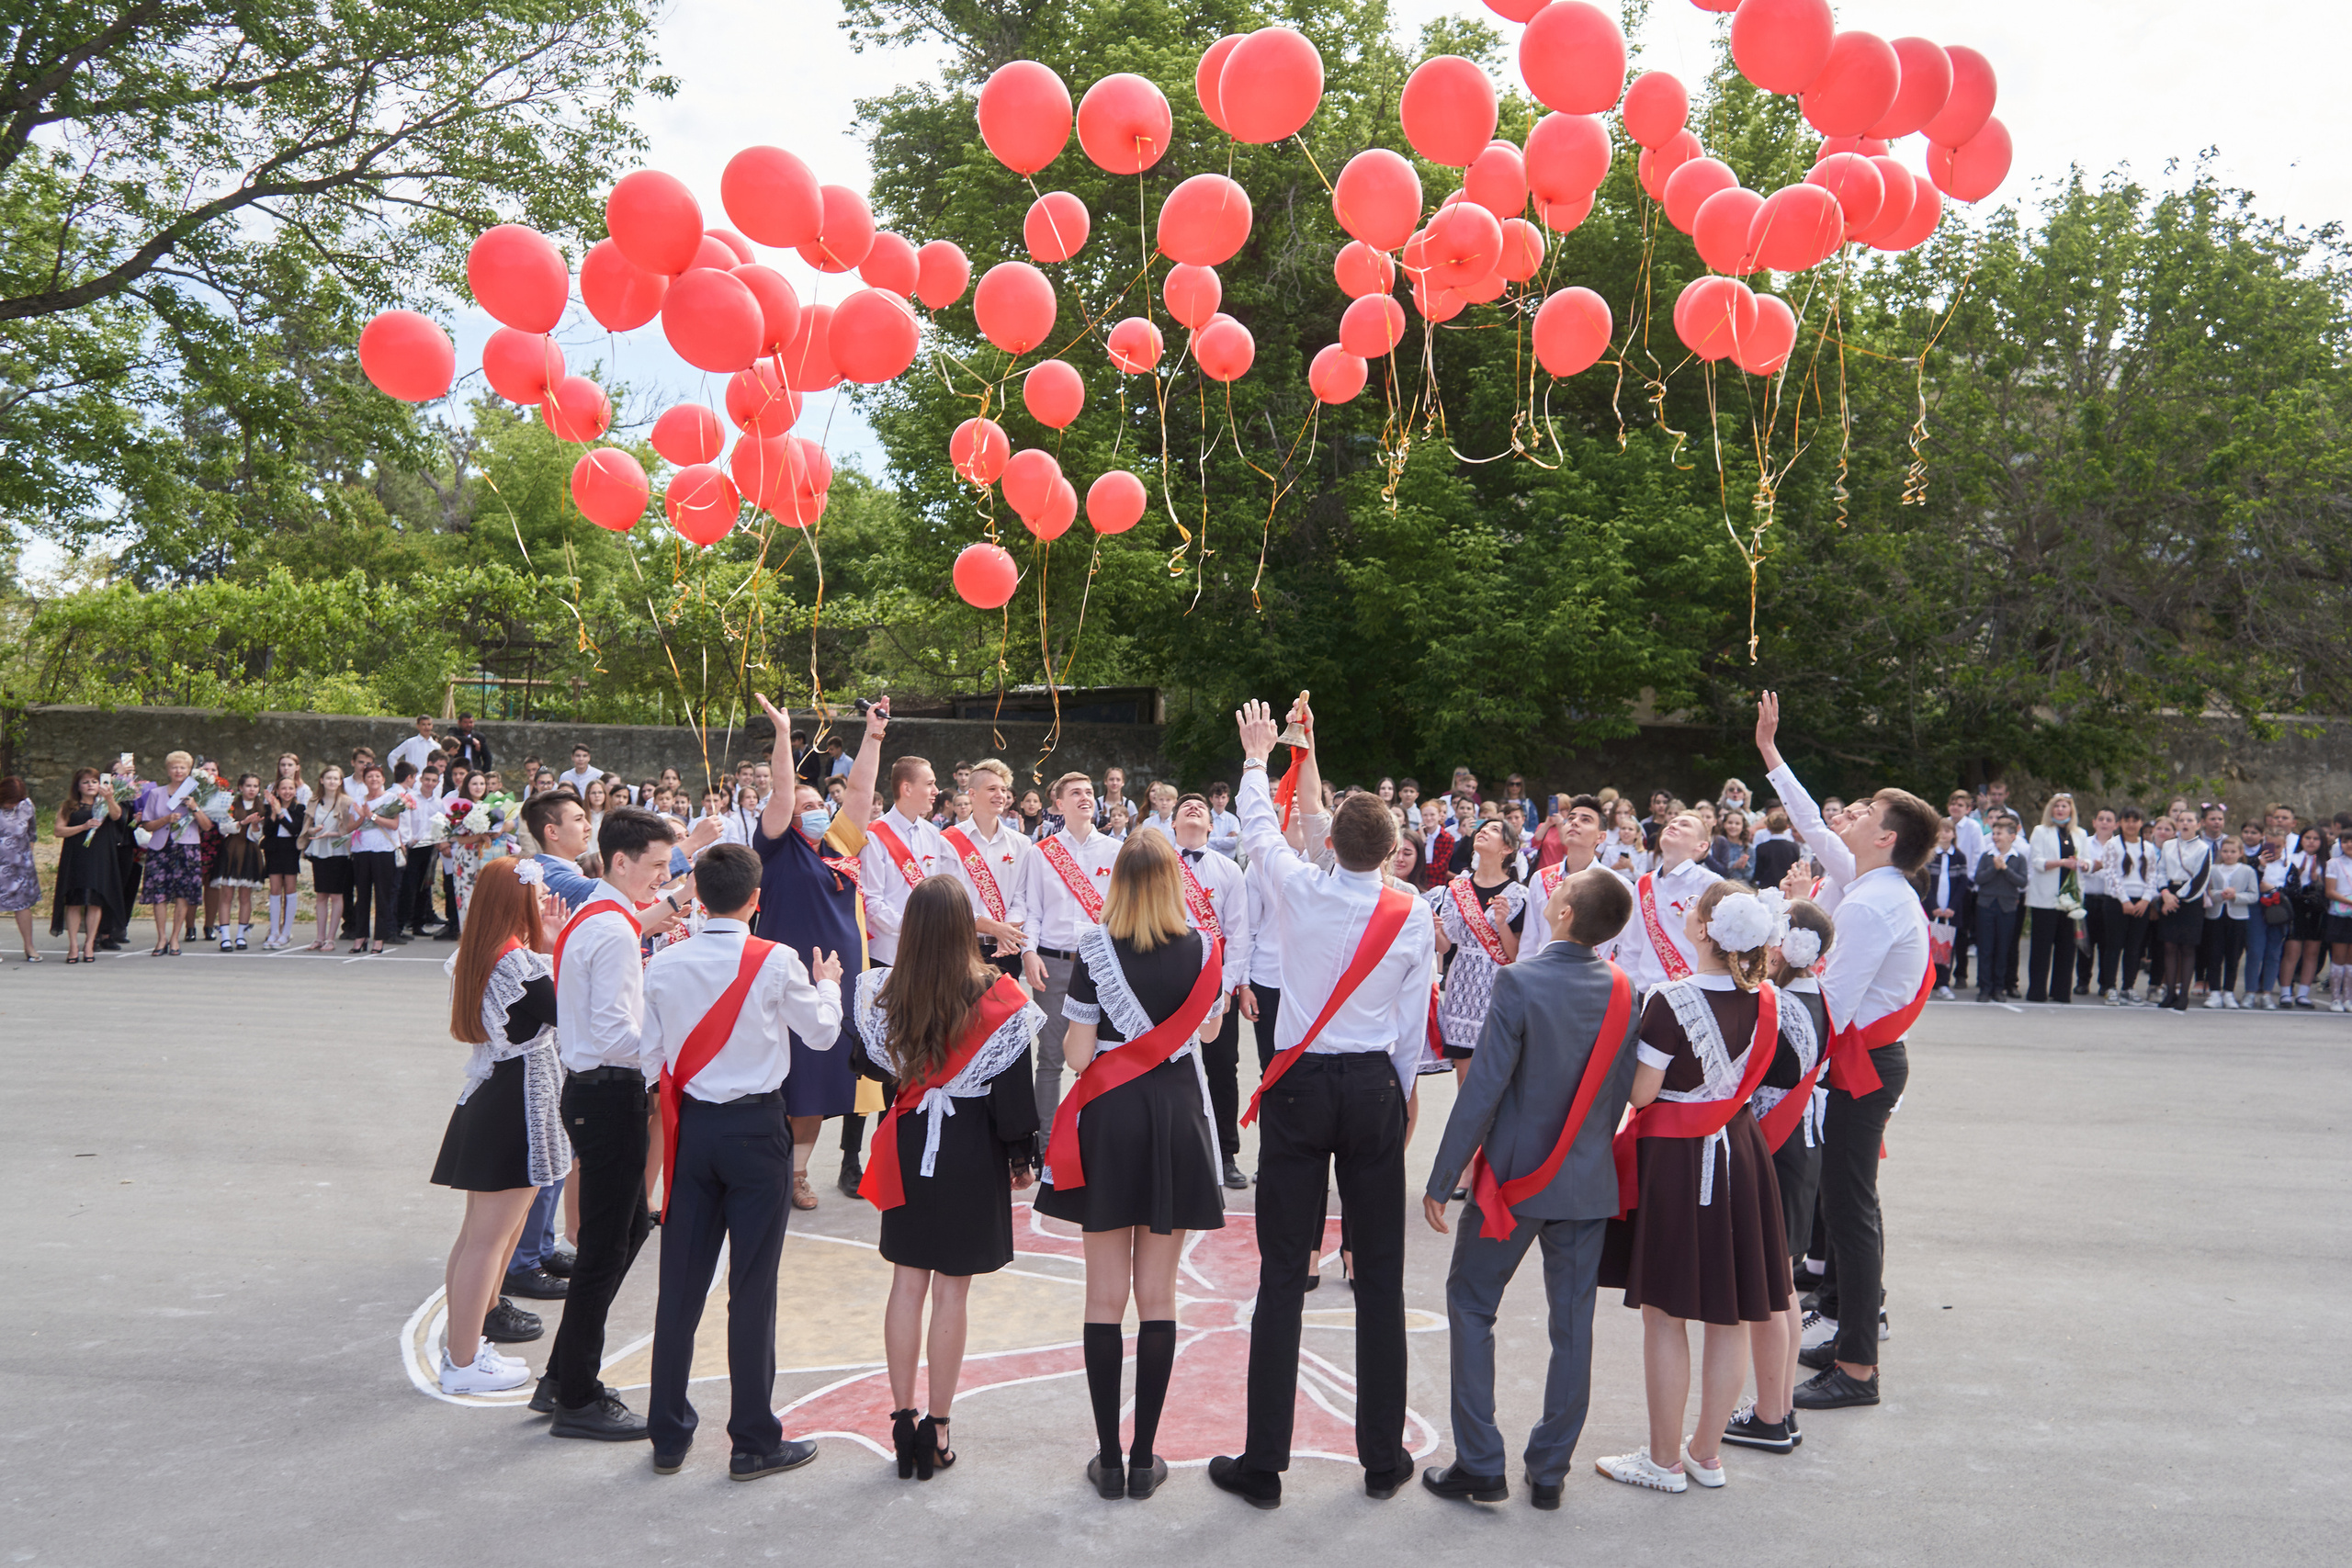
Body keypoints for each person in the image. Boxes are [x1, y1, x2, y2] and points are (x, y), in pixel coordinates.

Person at [1209, 694, 1435, 1511]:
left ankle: (1264, 1463)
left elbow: (1255, 826)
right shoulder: (1415, 914)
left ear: (1330, 843)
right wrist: (1404, 1097)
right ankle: (1381, 1457)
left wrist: (1258, 753)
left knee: (1281, 1273)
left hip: (1300, 1086)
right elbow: (1412, 1027)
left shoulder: (1300, 888)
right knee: (1379, 1276)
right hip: (1374, 1082)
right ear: (1397, 851)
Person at [1419, 868, 1639, 1508]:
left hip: (1512, 1183)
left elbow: (1483, 1087)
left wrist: (1442, 1174)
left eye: (1560, 893)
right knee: (1573, 1325)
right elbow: (1620, 1091)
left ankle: (1481, 1460)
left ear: (1565, 914)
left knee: (1471, 1301)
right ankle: (1549, 1469)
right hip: (1586, 1179)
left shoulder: (1519, 979)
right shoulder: (1626, 989)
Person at [1757, 694, 1938, 1411]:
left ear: (1887, 838)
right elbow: (1807, 818)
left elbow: (1828, 1000)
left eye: (1864, 814)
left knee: (1850, 1208)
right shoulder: (1873, 883)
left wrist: (1766, 988)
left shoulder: (1868, 903)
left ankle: (1858, 1363)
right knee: (1848, 1203)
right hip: (1863, 1060)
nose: (1848, 817)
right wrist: (1771, 752)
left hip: (1859, 1065)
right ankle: (1847, 1332)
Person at [640, 842, 842, 1481]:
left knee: (680, 1284)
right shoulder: (777, 959)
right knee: (752, 1288)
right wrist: (830, 986)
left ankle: (668, 1434)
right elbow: (822, 1033)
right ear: (758, 899)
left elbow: (649, 1063)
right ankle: (753, 1439)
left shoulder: (665, 962)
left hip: (693, 1130)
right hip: (758, 1130)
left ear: (696, 896)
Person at [1036, 829, 1227, 1503]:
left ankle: (1109, 1456)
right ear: (1175, 881)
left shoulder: (1093, 948)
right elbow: (1207, 1031)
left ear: (1116, 880)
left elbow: (1082, 1056)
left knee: (1103, 1297)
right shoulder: (1204, 947)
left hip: (1111, 1123)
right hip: (1174, 1117)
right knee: (1158, 1298)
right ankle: (1147, 1456)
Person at [1594, 883, 1789, 1493]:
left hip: (1679, 1161)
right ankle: (1705, 1452)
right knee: (1730, 1313)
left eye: (1695, 910)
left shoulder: (1668, 998)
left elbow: (1642, 1093)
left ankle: (1663, 1459)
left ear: (1706, 929)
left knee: (1666, 1314)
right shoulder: (1767, 1000)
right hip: (1744, 1154)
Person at [852, 876, 1042, 1481]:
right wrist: (1020, 1156)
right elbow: (1014, 1091)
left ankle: (902, 1420)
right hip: (968, 1145)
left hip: (910, 1138)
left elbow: (866, 1061)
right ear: (968, 927)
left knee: (907, 1281)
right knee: (951, 1291)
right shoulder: (998, 994)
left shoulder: (886, 990)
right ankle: (938, 1429)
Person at [544, 805, 682, 1441]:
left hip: (594, 1088)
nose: (661, 877)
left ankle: (563, 1372)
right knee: (605, 1246)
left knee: (626, 1228)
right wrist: (673, 1039)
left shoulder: (600, 914)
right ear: (620, 860)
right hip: (608, 1091)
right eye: (655, 866)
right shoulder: (613, 929)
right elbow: (617, 1034)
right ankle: (576, 1393)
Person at [428, 857, 571, 1394]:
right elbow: (571, 1013)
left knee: (482, 1238)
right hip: (517, 1105)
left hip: (496, 1097)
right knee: (487, 1242)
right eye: (536, 895)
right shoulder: (517, 964)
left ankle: (467, 1350)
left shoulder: (487, 953)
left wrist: (549, 950)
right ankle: (463, 1363)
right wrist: (556, 952)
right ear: (517, 901)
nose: (543, 904)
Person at [750, 693, 887, 1213]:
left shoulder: (841, 844)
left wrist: (873, 735)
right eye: (805, 807)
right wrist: (784, 736)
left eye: (818, 806)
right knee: (785, 1079)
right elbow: (783, 792)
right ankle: (769, 1172)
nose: (814, 811)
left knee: (819, 1084)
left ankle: (798, 1174)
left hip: (841, 979)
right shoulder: (776, 847)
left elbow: (860, 790)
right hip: (789, 979)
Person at [1017, 771, 1121, 1124]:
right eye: (1075, 792)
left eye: (1090, 792)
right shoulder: (1041, 853)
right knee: (1049, 1058)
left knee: (1102, 1054)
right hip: (1053, 964)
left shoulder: (1116, 851)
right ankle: (1045, 1147)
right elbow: (1032, 912)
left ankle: (1093, 1136)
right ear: (1059, 804)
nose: (1085, 797)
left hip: (1102, 965)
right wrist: (1028, 952)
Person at [1170, 792, 1253, 1189]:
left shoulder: (1229, 870)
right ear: (1171, 824)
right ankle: (1170, 1148)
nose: (1193, 807)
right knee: (1165, 1064)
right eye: (1184, 805)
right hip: (1165, 981)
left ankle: (1226, 1152)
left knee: (1222, 1067)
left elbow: (1239, 933)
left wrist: (1225, 989)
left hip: (1215, 984)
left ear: (1211, 825)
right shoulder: (1157, 867)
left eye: (1200, 806)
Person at [1427, 818, 1527, 1079]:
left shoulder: (1516, 895)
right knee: (1465, 1073)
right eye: (1483, 828)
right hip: (1462, 985)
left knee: (1495, 1073)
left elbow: (1516, 956)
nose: (1483, 831)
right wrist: (1436, 931)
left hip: (1497, 985)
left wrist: (1502, 924)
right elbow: (1446, 945)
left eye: (1494, 830)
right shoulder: (1457, 889)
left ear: (1507, 848)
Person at [939, 758, 1033, 988]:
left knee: (1007, 1021)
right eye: (992, 789)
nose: (1000, 795)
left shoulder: (1021, 843)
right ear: (972, 794)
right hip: (962, 947)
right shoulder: (949, 841)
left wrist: (1006, 934)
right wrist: (996, 929)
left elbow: (1021, 897)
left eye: (1003, 789)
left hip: (1006, 950)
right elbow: (951, 904)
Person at [1615, 810, 1722, 993]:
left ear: (1702, 846)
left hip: (1691, 990)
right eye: (1672, 822)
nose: (1673, 825)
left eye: (1684, 825)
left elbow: (1722, 946)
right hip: (1644, 992)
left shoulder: (1711, 884)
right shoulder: (1643, 883)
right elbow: (1632, 944)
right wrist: (1628, 987)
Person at [135, 751, 211, 958]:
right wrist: (166, 819)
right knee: (158, 895)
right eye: (174, 767)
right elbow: (147, 824)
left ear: (189, 771)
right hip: (161, 847)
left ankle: (176, 937)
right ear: (168, 770)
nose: (178, 771)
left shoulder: (198, 792)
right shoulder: (156, 794)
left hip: (187, 848)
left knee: (182, 894)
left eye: (182, 768)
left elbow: (207, 826)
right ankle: (161, 937)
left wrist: (194, 807)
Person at [51, 768, 126, 963]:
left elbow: (118, 817)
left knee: (95, 901)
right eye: (85, 782)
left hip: (100, 858)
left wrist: (110, 798)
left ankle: (90, 943)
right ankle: (73, 945)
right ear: (78, 786)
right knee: (74, 901)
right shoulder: (69, 806)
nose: (90, 785)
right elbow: (59, 831)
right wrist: (83, 827)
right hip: (76, 857)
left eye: (94, 781)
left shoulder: (105, 805)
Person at [2024, 793, 2086, 1004]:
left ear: (2071, 810)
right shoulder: (2041, 831)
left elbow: (2083, 859)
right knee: (2041, 947)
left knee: (2067, 947)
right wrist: (2061, 863)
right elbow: (2037, 861)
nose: (2060, 809)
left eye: (2064, 806)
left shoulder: (2080, 834)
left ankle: (2061, 991)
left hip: (2070, 899)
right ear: (2051, 810)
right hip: (2045, 898)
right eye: (2057, 806)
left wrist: (2083, 864)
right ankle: (2037, 991)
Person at [2153, 803, 2212, 1012]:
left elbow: (2200, 879)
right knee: (2169, 946)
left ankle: (2183, 996)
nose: (2185, 823)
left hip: (2190, 899)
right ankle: (2170, 992)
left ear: (2198, 825)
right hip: (2169, 894)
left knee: (2187, 947)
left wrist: (2177, 898)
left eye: (2190, 820)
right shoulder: (2169, 845)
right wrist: (2165, 893)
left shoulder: (2204, 849)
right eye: (2182, 820)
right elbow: (2160, 871)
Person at [348, 763, 406, 954]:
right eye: (369, 777)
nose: (373, 780)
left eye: (377, 776)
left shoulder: (391, 799)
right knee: (362, 895)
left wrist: (371, 816)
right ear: (364, 780)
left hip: (384, 851)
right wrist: (360, 817)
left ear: (383, 779)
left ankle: (379, 938)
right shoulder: (357, 801)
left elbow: (394, 825)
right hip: (361, 851)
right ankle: (360, 937)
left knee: (382, 896)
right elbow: (350, 828)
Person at [300, 764, 356, 953]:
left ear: (340, 782)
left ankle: (331, 939)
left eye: (336, 778)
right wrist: (312, 831)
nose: (332, 781)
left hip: (338, 853)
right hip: (319, 852)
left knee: (336, 895)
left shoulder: (347, 801)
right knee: (321, 895)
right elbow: (306, 827)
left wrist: (331, 834)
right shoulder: (314, 801)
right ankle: (319, 937)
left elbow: (351, 828)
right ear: (321, 780)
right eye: (328, 778)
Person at [1972, 816, 2027, 1002]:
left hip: (2007, 907)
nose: (1995, 837)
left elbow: (2022, 882)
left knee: (2003, 949)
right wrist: (1994, 868)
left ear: (2012, 836)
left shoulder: (2018, 859)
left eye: (1999, 833)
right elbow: (1979, 879)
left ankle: (1999, 988)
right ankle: (1985, 988)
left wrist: (2005, 869)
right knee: (1986, 948)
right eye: (1994, 833)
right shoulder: (1987, 856)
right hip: (1986, 906)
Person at [1914, 822, 1972, 998]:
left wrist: (1951, 907)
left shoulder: (1959, 857)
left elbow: (1963, 884)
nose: (1944, 834)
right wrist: (1934, 907)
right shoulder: (1930, 856)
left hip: (1950, 911)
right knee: (1929, 946)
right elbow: (1925, 884)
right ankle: (1927, 983)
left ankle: (1944, 983)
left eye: (1948, 831)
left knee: (1946, 947)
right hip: (1932, 909)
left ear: (1954, 834)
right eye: (1940, 831)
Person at [2108, 808, 2157, 1003]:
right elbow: (2111, 873)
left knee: (2134, 947)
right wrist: (2124, 899)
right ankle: (2110, 986)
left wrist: (2146, 899)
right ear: (2120, 823)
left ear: (2141, 823)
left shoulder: (2149, 848)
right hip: (2118, 902)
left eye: (2135, 820)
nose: (2131, 824)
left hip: (2141, 903)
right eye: (2127, 820)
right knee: (2114, 946)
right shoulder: (2113, 845)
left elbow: (2152, 874)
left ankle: (2128, 986)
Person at [254, 776, 306, 951]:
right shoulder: (269, 808)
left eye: (290, 788)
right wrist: (274, 812)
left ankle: (286, 932)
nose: (287, 792)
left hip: (290, 850)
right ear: (277, 791)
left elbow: (294, 830)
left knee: (290, 888)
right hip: (274, 850)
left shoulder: (299, 808)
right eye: (283, 788)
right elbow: (268, 831)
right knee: (275, 889)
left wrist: (281, 812)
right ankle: (274, 931)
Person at [2281, 826, 2329, 1008]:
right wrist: (2299, 873)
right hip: (2296, 907)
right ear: (2301, 839)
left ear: (2322, 842)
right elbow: (2286, 883)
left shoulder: (2327, 862)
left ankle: (2303, 993)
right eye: (2307, 837)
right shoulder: (2292, 859)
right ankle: (2286, 991)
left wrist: (2318, 880)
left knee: (2312, 951)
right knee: (2292, 951)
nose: (2311, 841)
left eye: (2316, 839)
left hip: (2317, 909)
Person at [0, 776, 42, 961]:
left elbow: (32, 833)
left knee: (23, 906)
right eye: (10, 802)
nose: (13, 805)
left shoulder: (26, 806)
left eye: (16, 802)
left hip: (20, 867)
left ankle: (29, 947)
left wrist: (27, 858)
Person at [388, 716, 441, 782]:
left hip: (430, 781)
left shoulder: (437, 746)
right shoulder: (410, 743)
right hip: (413, 781)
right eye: (423, 724)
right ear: (418, 726)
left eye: (429, 724)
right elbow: (392, 756)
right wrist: (399, 774)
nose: (426, 727)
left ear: (432, 726)